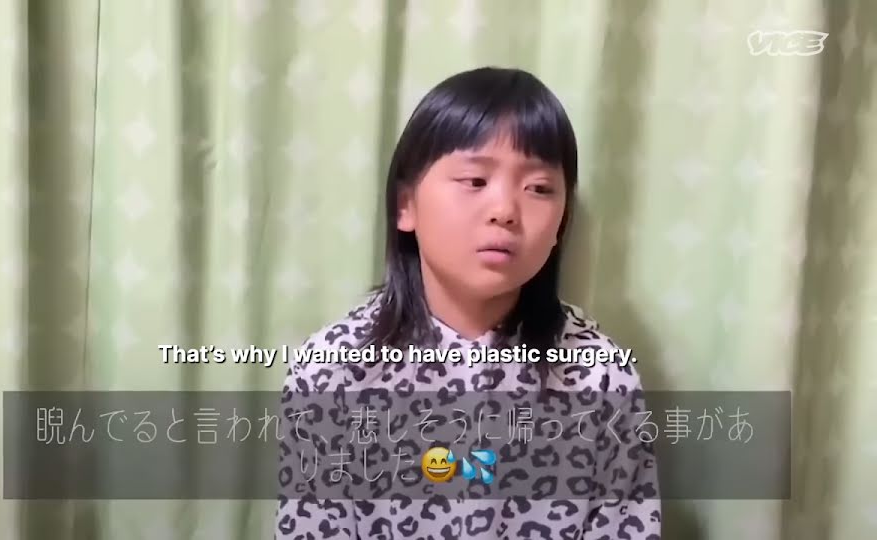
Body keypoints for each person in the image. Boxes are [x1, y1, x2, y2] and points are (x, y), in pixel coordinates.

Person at [275, 66, 661, 539]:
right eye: (475, 181)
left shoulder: (601, 377)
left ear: (562, 223)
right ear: (405, 205)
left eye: (539, 189)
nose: (505, 211)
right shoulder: (332, 371)